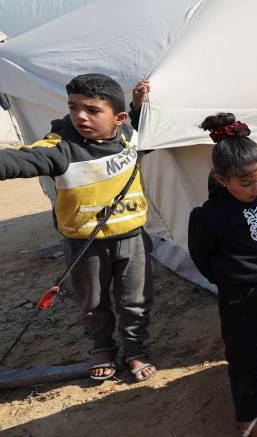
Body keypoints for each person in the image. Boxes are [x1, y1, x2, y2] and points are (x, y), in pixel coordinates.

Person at [0, 74, 156, 381]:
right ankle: (101, 347)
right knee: (92, 301)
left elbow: (142, 131)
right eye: (74, 107)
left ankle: (135, 349)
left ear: (119, 118)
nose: (80, 116)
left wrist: (138, 107)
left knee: (135, 299)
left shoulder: (129, 135)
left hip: (133, 238)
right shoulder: (61, 148)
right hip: (86, 244)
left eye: (92, 110)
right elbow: (20, 161)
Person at [188, 114, 257, 437]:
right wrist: (231, 279)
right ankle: (247, 418)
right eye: (246, 183)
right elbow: (202, 257)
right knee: (244, 357)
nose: (255, 189)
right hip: (239, 299)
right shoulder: (208, 216)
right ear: (221, 178)